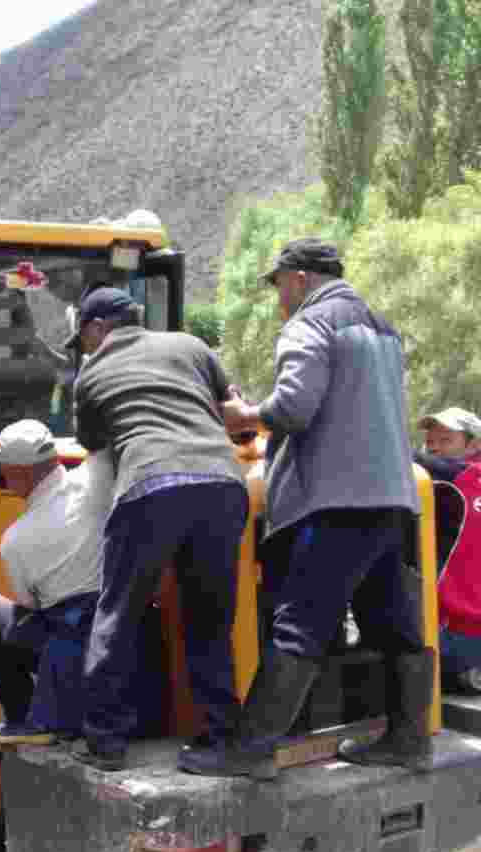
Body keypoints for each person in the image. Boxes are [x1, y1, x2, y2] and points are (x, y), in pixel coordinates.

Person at [181, 238, 430, 779]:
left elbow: (294, 408)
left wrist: (244, 415)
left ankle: (248, 752)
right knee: (393, 623)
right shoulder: (381, 325)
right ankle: (409, 740)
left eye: (277, 285)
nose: (277, 299)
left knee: (299, 624)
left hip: (337, 499)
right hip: (391, 495)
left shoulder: (309, 323)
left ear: (298, 278)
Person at [70, 287, 249, 771]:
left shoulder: (91, 374)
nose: (85, 349)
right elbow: (232, 408)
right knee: (210, 621)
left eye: (83, 339)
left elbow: (93, 442)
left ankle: (106, 742)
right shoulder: (191, 346)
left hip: (150, 484)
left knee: (119, 612)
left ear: (96, 329)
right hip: (224, 483)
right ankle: (220, 738)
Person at [0, 420, 115, 745]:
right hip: (119, 633)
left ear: (20, 474)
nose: (4, 480)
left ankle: (23, 717)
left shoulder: (15, 541)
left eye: (5, 472)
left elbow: (30, 607)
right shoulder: (97, 479)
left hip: (76, 644)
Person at [414, 407, 481, 687]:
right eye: (430, 443)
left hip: (462, 631)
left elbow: (409, 459)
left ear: (474, 445)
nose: (435, 450)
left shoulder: (463, 477)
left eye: (445, 440)